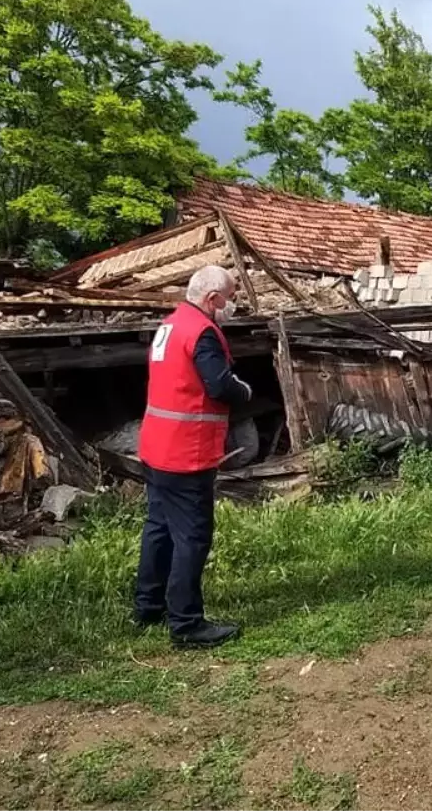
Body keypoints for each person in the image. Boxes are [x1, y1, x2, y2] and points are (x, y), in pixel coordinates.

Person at [133, 265, 252, 649]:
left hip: (156, 446)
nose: (232, 306)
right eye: (231, 299)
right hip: (187, 451)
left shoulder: (170, 325)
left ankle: (148, 606)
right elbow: (218, 385)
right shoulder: (202, 332)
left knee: (159, 528)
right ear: (212, 298)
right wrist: (244, 391)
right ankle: (186, 623)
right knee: (193, 537)